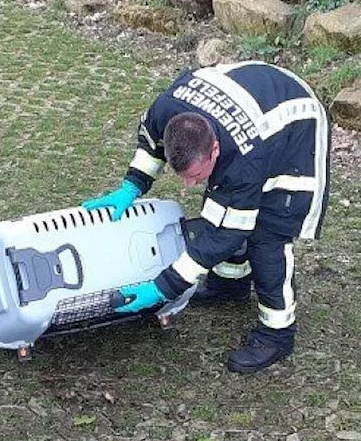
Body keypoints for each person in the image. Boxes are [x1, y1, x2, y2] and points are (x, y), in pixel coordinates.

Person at [84, 61, 331, 374]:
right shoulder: (165, 109)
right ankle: (230, 284)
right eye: (184, 176)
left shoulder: (245, 160)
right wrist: (131, 186)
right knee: (220, 206)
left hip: (296, 125)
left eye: (196, 175)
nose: (189, 185)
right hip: (250, 103)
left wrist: (163, 287)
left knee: (267, 236)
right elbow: (152, 142)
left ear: (215, 149)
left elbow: (225, 234)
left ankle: (278, 333)